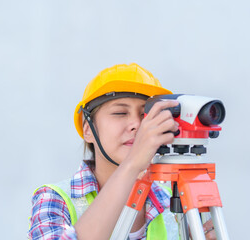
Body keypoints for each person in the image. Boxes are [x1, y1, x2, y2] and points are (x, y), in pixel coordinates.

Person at [28, 63, 216, 240]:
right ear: (88, 129)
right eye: (120, 113)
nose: (137, 125)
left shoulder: (173, 202)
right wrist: (133, 164)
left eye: (145, 115)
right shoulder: (54, 199)